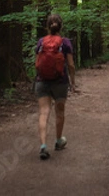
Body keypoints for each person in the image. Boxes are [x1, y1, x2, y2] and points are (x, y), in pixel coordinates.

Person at [35, 13, 76, 160]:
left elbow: (37, 63)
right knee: (59, 112)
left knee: (44, 112)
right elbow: (70, 65)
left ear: (47, 26)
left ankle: (43, 146)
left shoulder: (41, 42)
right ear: (61, 26)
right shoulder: (65, 43)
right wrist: (73, 82)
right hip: (60, 82)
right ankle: (58, 141)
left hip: (42, 81)